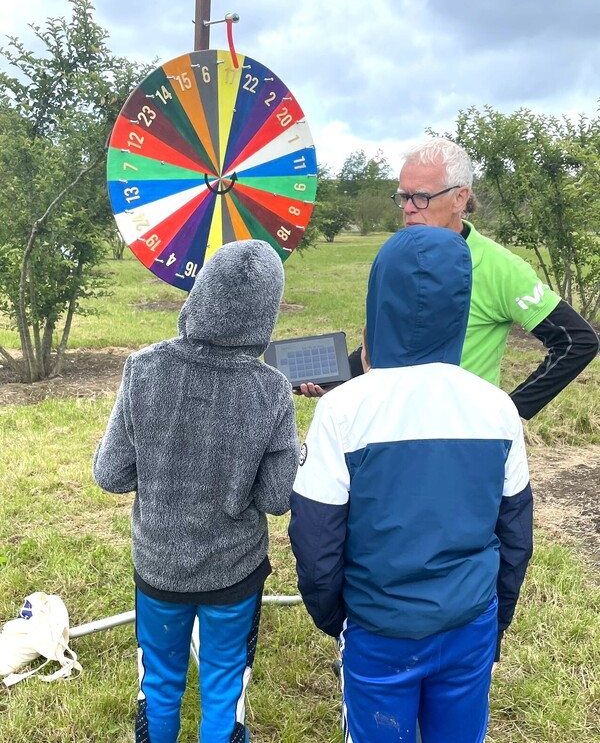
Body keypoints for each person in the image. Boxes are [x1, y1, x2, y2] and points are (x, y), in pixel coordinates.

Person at [289, 226, 534, 743]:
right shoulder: (497, 408)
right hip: (470, 624)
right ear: (461, 303)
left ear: (379, 297)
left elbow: (315, 541)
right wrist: (495, 622)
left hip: (378, 629)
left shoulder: (343, 408)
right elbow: (516, 534)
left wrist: (339, 620)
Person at [93, 239, 299, 743]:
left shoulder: (142, 369)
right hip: (234, 572)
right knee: (225, 683)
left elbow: (111, 474)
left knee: (159, 683)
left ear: (199, 294)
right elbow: (277, 498)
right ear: (267, 314)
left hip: (158, 567)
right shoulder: (271, 390)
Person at [299, 137, 599, 421]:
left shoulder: (500, 268)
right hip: (391, 432)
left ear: (460, 198)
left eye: (421, 197)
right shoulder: (399, 257)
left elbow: (577, 341)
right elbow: (385, 344)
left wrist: (509, 412)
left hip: (461, 442)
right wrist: (337, 378)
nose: (408, 208)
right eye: (403, 196)